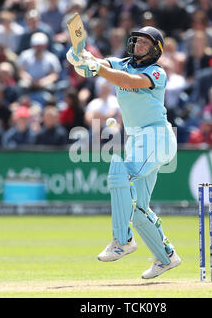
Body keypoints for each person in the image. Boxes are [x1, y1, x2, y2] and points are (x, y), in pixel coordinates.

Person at [66, 26, 181, 279]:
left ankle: (122, 240)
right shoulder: (122, 63)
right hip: (137, 139)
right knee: (140, 209)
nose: (138, 45)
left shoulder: (156, 72)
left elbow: (127, 81)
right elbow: (92, 66)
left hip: (157, 137)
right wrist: (78, 58)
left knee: (120, 172)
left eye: (145, 43)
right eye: (137, 40)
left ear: (155, 51)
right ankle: (166, 257)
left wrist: (98, 68)